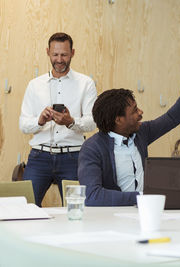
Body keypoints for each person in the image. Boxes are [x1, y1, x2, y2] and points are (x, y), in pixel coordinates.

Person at [78, 51, 180, 206]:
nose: (141, 113)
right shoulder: (92, 148)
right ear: (118, 120)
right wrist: (141, 197)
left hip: (144, 212)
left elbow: (172, 118)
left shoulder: (141, 133)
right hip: (112, 218)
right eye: (134, 111)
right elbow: (92, 196)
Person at [19, 32, 97, 206]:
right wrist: (39, 121)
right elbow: (23, 124)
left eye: (64, 55)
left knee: (77, 210)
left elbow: (93, 121)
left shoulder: (86, 83)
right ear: (48, 52)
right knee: (25, 208)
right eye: (55, 54)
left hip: (73, 157)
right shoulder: (34, 85)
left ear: (73, 53)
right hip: (39, 157)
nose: (59, 59)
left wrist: (70, 122)